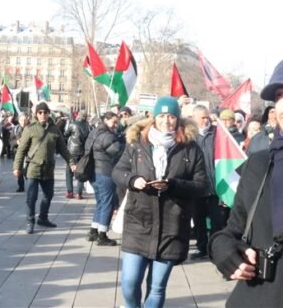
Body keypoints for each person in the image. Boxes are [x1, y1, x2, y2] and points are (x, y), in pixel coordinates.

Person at [112, 96, 208, 308]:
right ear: (154, 117)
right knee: (129, 283)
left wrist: (173, 185)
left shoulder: (191, 148)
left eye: (171, 116)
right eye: (162, 116)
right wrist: (132, 180)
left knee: (157, 287)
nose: (166, 121)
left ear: (178, 119)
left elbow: (202, 185)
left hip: (172, 225)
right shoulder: (137, 143)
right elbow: (118, 172)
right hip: (139, 222)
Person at [208, 61, 283, 307]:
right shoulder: (259, 164)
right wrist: (226, 252)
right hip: (259, 296)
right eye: (279, 96)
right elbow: (231, 231)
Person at [13, 102, 76, 235]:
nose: (43, 115)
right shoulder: (30, 128)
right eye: (40, 112)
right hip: (33, 168)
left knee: (48, 195)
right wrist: (17, 167)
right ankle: (30, 221)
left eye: (45, 112)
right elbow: (21, 150)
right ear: (36, 114)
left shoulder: (55, 129)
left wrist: (71, 162)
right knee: (31, 197)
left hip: (48, 169)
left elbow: (63, 149)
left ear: (49, 113)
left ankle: (43, 218)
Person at [189, 105, 229, 260]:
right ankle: (202, 248)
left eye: (207, 117)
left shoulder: (217, 134)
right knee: (198, 220)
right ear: (194, 119)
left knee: (216, 221)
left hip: (214, 186)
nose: (206, 121)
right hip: (196, 187)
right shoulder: (189, 136)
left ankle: (214, 249)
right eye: (202, 118)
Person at [84, 111, 123, 246]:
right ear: (106, 120)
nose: (116, 125)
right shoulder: (107, 136)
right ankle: (102, 235)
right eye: (114, 122)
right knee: (108, 203)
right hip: (105, 173)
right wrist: (123, 142)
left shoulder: (94, 132)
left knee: (100, 202)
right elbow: (117, 152)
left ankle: (93, 230)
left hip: (93, 172)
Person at [64, 110, 90, 199]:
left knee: (69, 172)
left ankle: (70, 192)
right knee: (81, 171)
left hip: (72, 150)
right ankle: (79, 193)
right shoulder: (88, 126)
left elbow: (66, 134)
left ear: (78, 116)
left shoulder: (73, 124)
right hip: (82, 151)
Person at [12, 113, 29, 192]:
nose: (23, 122)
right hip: (18, 152)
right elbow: (10, 140)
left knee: (27, 169)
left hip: (28, 152)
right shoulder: (15, 129)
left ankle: (30, 184)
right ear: (19, 120)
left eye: (25, 120)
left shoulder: (30, 129)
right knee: (19, 169)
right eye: (21, 120)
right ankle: (21, 186)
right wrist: (16, 142)